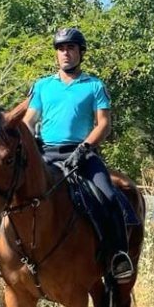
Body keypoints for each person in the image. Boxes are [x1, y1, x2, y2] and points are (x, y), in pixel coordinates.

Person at [22, 27, 135, 281]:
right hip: (47, 154)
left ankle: (118, 256)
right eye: (61, 49)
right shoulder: (42, 86)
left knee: (107, 195)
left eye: (71, 48)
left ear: (80, 53)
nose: (65, 53)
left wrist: (84, 148)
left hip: (83, 154)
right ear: (56, 54)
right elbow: (29, 120)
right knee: (17, 191)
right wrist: (32, 140)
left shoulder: (94, 85)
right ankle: (7, 254)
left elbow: (104, 125)